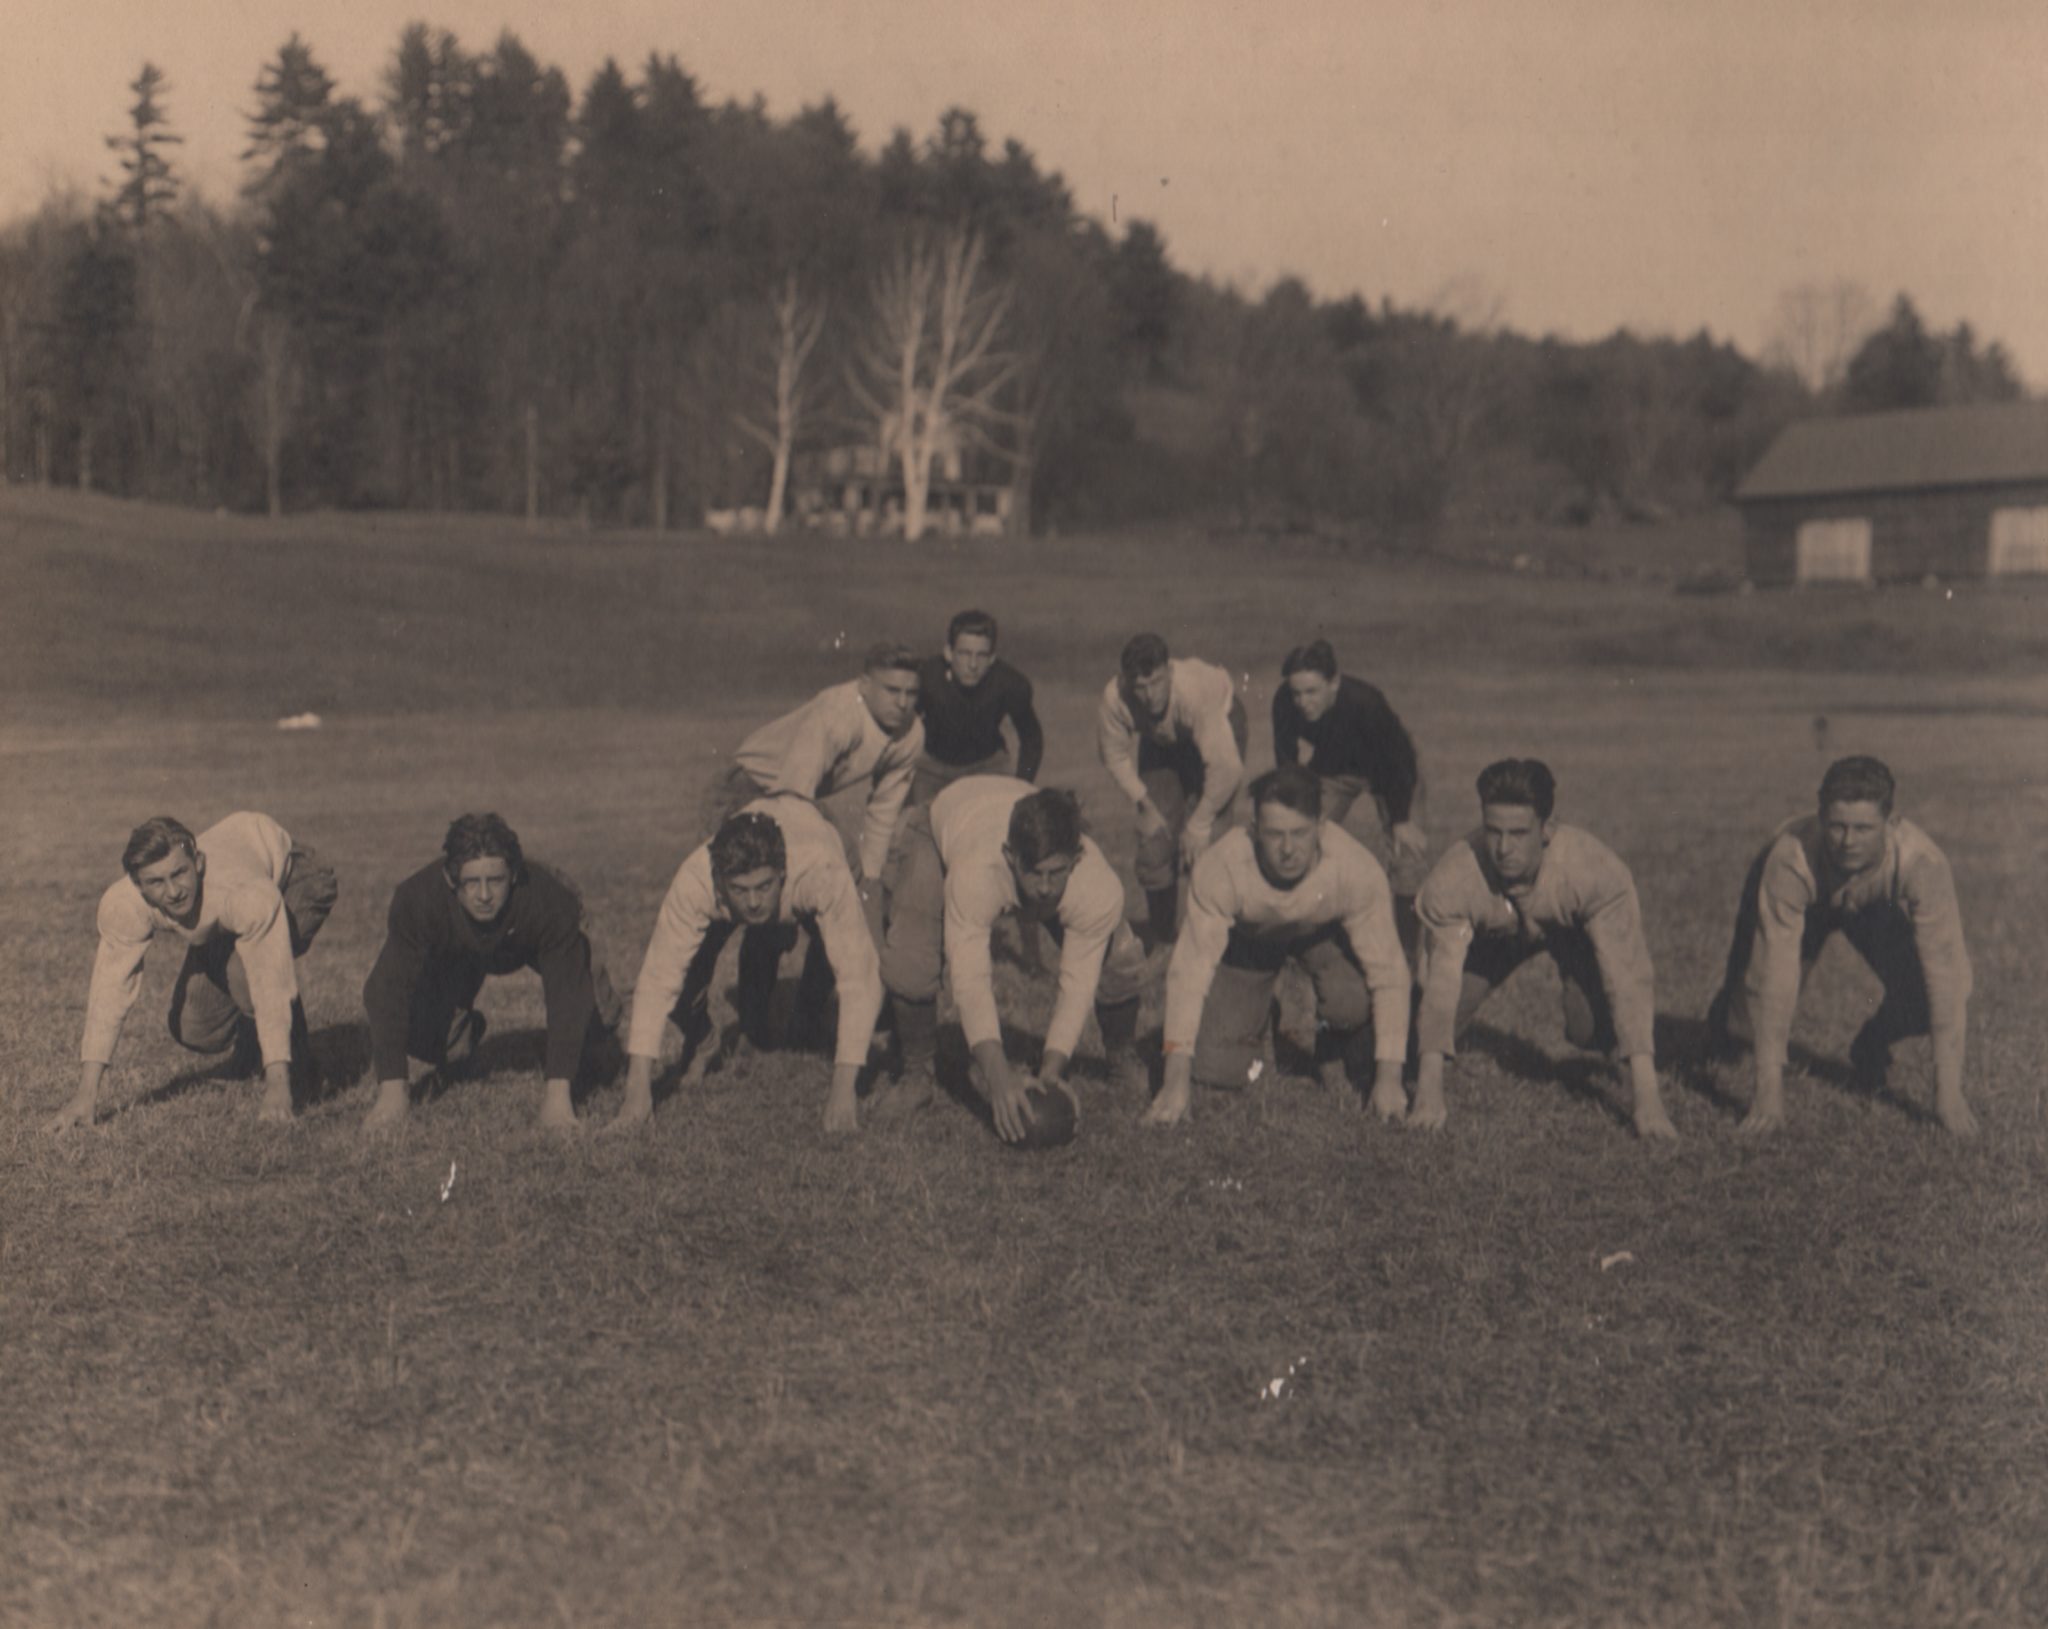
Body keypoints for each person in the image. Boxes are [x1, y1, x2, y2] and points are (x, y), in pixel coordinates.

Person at [1706, 755, 1976, 1136]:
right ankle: (1719, 1031)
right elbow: (1773, 974)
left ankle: (1871, 1043)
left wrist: (1948, 1098)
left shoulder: (1922, 862)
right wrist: (1768, 1095)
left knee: (1934, 993)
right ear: (1820, 819)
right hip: (1804, 898)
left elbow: (1945, 978)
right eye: (1837, 827)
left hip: (1869, 906)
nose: (1848, 842)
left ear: (1892, 823)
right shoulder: (1790, 857)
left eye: (1863, 829)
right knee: (1743, 1025)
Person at [869, 778, 1150, 1142]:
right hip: (946, 820)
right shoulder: (976, 871)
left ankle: (1120, 1056)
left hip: (1006, 805)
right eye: (1034, 873)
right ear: (1010, 856)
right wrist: (998, 1077)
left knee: (1121, 957)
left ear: (1076, 859)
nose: (1046, 887)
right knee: (910, 959)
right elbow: (970, 980)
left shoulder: (1098, 886)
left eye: (1056, 872)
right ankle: (916, 1073)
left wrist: (1052, 1071)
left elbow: (1078, 982)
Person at [1408, 759, 1675, 1140]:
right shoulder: (1455, 876)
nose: (1503, 848)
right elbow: (1440, 983)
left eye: (1518, 833)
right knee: (1418, 1034)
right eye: (1493, 831)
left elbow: (1627, 976)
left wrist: (1648, 1100)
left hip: (1571, 934)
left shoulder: (1593, 869)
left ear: (1547, 829)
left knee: (1590, 1030)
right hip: (1491, 938)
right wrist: (1429, 1091)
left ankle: (1609, 1041)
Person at [1143, 767, 1410, 1127]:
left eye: (1299, 833)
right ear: (1253, 830)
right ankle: (1263, 1010)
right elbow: (1189, 972)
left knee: (1350, 1002)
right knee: (1215, 1068)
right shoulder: (1222, 866)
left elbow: (1390, 973)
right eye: (1274, 834)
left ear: (1321, 827)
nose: (1287, 849)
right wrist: (1174, 1082)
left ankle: (1328, 1040)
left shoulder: (1355, 868)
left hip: (1319, 936)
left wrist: (1391, 1080)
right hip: (1251, 942)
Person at [47, 812, 338, 1131]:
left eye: (179, 873)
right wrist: (85, 1097)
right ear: (138, 885)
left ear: (198, 862)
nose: (173, 892)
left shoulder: (245, 892)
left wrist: (278, 1089)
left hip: (294, 876)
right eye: (157, 882)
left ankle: (300, 1073)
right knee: (195, 1027)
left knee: (248, 979)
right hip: (228, 907)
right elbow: (109, 992)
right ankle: (252, 1052)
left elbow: (270, 979)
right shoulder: (124, 903)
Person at [612, 798, 885, 1134]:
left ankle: (808, 1014)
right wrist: (636, 1094)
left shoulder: (821, 870)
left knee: (852, 950)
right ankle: (703, 1038)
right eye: (740, 890)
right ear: (719, 883)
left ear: (782, 875)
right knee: (686, 980)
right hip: (763, 839)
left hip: (818, 830)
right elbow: (657, 979)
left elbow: (859, 976)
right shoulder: (696, 880)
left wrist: (844, 1093)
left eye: (764, 887)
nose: (754, 901)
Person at [360, 814, 622, 1134]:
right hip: (458, 947)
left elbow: (567, 991)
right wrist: (392, 1094)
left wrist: (558, 1099)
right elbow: (386, 990)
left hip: (530, 929)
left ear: (512, 876)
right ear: (450, 879)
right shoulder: (418, 900)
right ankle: (462, 1037)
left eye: (495, 881)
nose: (484, 895)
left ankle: (599, 1041)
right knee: (427, 1029)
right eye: (472, 882)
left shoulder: (549, 901)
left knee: (594, 1013)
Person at [705, 642, 925, 893]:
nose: (903, 703)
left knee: (845, 873)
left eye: (912, 692)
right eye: (892, 690)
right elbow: (793, 794)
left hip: (794, 796)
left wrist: (869, 886)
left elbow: (883, 814)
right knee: (729, 891)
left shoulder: (912, 734)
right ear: (864, 685)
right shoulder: (839, 714)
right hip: (743, 789)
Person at [1097, 632, 1247, 946]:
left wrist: (1200, 822)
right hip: (1162, 742)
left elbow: (1227, 769)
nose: (1150, 695)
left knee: (1207, 849)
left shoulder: (1194, 690)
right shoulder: (1115, 697)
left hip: (1220, 728)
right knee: (1153, 844)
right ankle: (1163, 938)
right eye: (1140, 686)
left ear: (1170, 671)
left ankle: (1213, 941)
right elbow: (1114, 755)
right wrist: (1145, 805)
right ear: (1126, 682)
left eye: (1157, 682)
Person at [1271, 639, 1426, 886]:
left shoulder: (1367, 704)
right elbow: (1287, 763)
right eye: (1296, 693)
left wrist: (1400, 819)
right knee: (1304, 839)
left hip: (1390, 771)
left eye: (1312, 691)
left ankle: (1405, 923)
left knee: (1406, 853)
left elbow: (1399, 761)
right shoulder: (1284, 701)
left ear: (1334, 683)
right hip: (1335, 769)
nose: (1302, 702)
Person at [911, 609, 1045, 807]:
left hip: (987, 767)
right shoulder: (926, 678)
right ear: (948, 653)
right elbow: (901, 731)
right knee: (915, 829)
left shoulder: (1010, 684)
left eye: (981, 655)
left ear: (992, 658)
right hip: (931, 768)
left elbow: (1032, 739)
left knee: (998, 824)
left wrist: (1021, 785)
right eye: (964, 654)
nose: (972, 664)